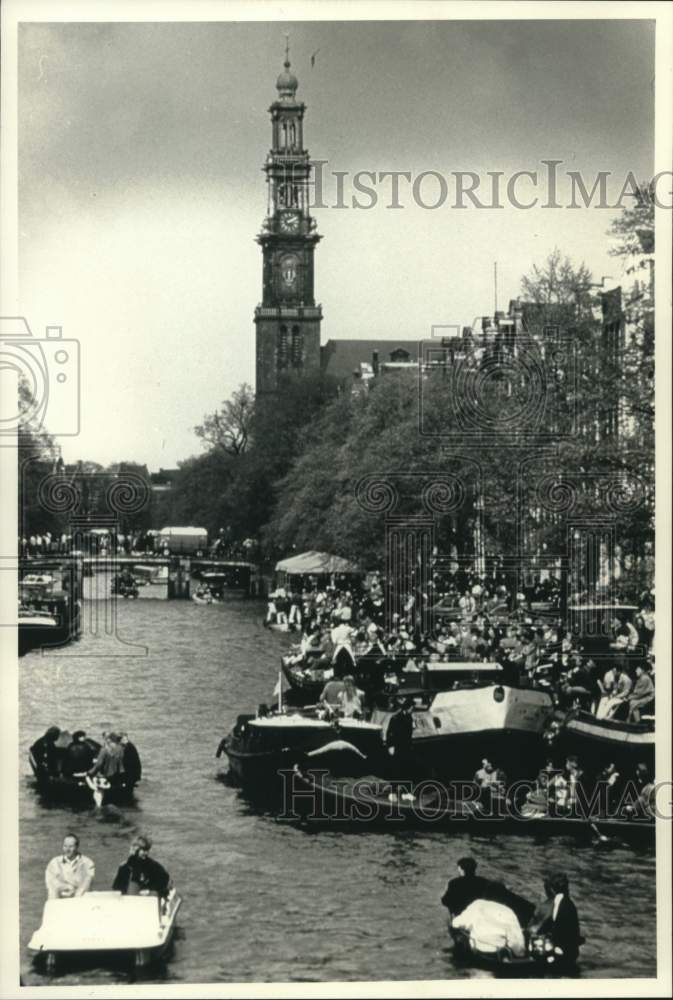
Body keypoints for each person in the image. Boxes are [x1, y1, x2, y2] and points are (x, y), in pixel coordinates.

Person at [441, 857, 534, 927]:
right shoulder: (484, 882)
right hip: (482, 913)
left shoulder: (454, 883)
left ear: (461, 869)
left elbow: (446, 901)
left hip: (462, 914)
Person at [527, 873, 582, 965]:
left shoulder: (554, 903)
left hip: (559, 953)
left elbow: (537, 928)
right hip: (571, 952)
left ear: (551, 889)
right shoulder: (569, 903)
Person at [45, 834, 95, 899]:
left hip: (79, 899)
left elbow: (86, 884)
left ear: (77, 847)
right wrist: (66, 887)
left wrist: (76, 896)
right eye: (65, 846)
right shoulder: (54, 862)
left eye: (71, 846)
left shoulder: (88, 863)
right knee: (52, 892)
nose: (67, 849)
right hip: (59, 898)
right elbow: (50, 883)